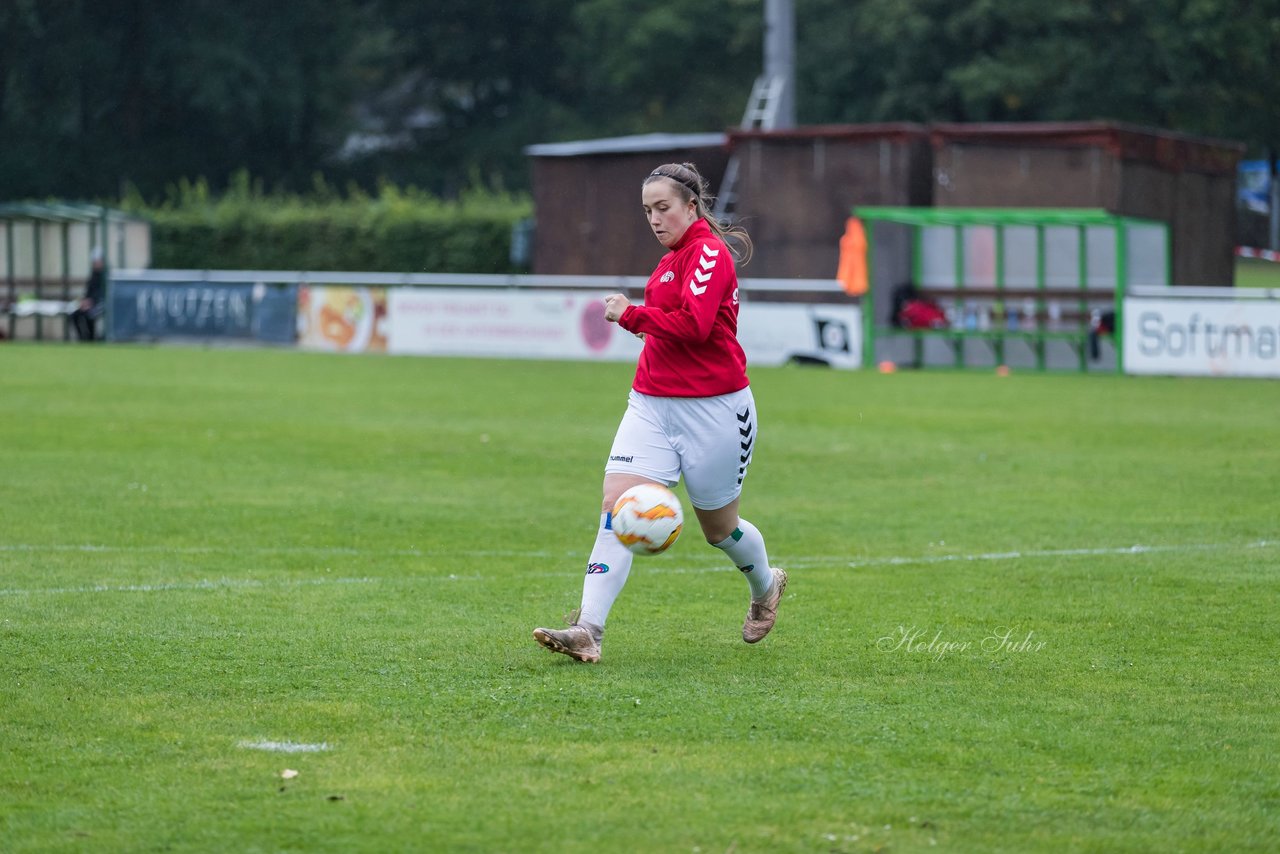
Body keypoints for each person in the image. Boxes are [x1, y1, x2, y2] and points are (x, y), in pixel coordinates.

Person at [533, 162, 787, 664]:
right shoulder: (670, 259)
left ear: (691, 206)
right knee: (616, 507)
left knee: (720, 529)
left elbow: (693, 327)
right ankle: (589, 630)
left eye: (663, 207)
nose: (654, 218)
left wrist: (629, 314)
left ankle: (765, 585)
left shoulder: (709, 253)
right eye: (647, 210)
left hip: (714, 410)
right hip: (650, 403)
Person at [70, 248, 106, 341]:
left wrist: (91, 302)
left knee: (90, 314)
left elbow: (102, 293)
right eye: (94, 262)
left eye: (97, 261)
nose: (96, 264)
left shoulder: (105, 275)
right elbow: (88, 291)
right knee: (74, 315)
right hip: (90, 303)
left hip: (100, 303)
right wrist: (84, 301)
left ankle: (91, 339)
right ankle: (82, 338)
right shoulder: (93, 274)